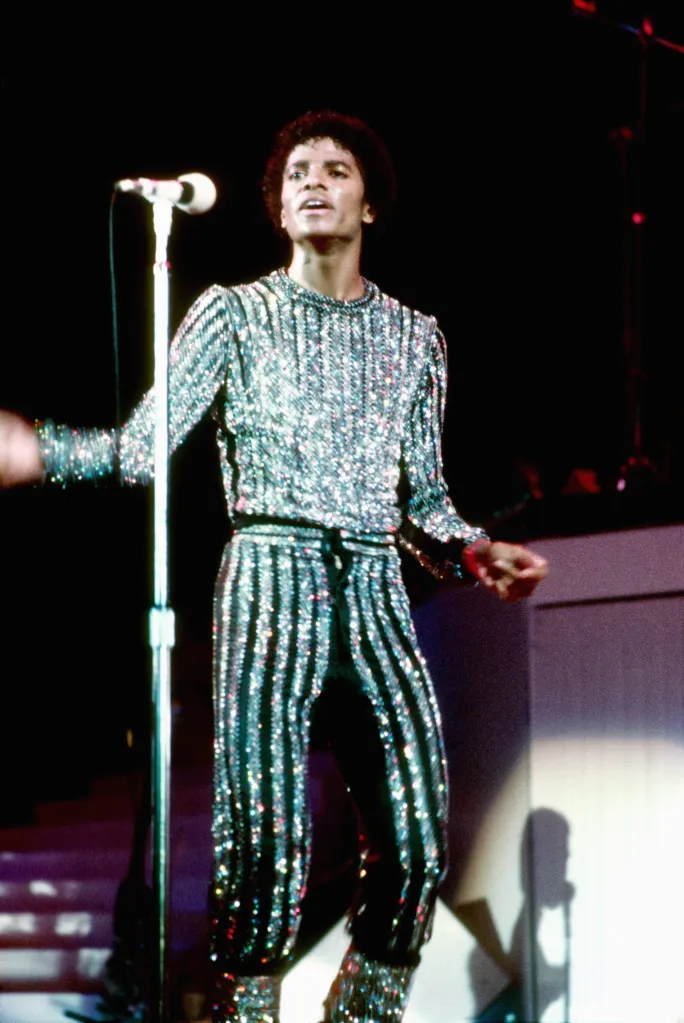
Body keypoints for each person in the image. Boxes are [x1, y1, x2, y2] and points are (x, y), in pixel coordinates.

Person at [0, 110, 548, 1023]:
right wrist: (40, 451)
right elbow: (141, 447)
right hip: (268, 576)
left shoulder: (415, 336)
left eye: (335, 169)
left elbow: (423, 502)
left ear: (369, 204)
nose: (313, 182)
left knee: (416, 842)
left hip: (373, 588)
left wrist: (472, 549)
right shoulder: (232, 313)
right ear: (278, 205)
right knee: (263, 854)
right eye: (298, 172)